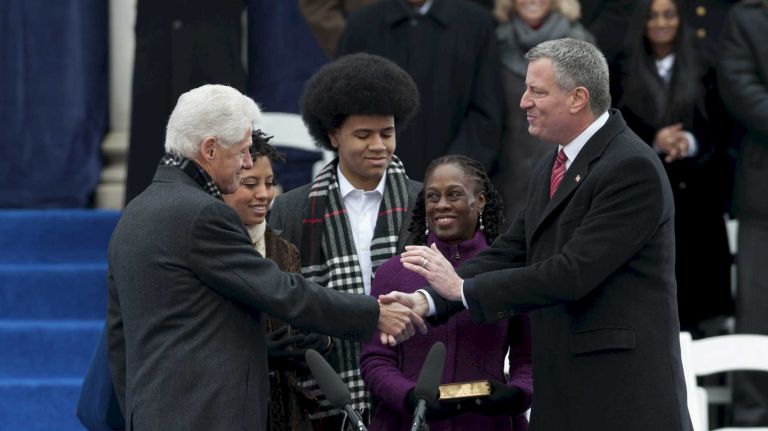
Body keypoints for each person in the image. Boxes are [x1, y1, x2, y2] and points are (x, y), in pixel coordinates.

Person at [384, 38, 693, 430]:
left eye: (537, 91)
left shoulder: (631, 168)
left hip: (620, 396)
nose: (523, 101)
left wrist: (462, 289)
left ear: (578, 98)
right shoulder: (555, 162)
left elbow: (571, 273)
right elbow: (513, 250)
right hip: (564, 391)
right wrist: (428, 299)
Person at [106, 83, 425, 431]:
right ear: (209, 149)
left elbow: (119, 339)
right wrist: (374, 312)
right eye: (242, 151)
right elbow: (281, 291)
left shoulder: (134, 213)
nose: (246, 163)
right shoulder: (202, 214)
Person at [268, 53, 422, 428]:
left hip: (413, 390)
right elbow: (282, 297)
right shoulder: (290, 210)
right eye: (363, 135)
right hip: (325, 393)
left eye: (387, 133)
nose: (379, 146)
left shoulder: (425, 201)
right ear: (334, 135)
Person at [361, 155, 533, 430]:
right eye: (432, 197)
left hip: (490, 424)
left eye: (454, 194)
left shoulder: (509, 272)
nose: (442, 205)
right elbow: (376, 359)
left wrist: (518, 394)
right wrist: (409, 396)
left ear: (480, 201)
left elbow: (528, 358)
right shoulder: (393, 272)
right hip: (409, 423)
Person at [616, 0, 733, 333]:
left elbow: (721, 131)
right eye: (653, 16)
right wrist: (655, 139)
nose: (661, 23)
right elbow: (614, 123)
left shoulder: (705, 67)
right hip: (645, 200)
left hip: (698, 202)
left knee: (701, 303)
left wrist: (688, 143)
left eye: (669, 15)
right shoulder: (622, 70)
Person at [222, 134, 326, 430]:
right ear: (224, 185)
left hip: (284, 412)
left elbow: (300, 314)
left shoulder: (286, 250)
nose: (265, 194)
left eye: (269, 183)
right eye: (250, 184)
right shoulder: (205, 251)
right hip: (229, 410)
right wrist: (256, 353)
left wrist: (320, 341)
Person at [335, 0, 505, 181]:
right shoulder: (361, 25)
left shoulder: (476, 24)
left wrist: (454, 173)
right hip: (376, 185)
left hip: (455, 188)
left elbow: (486, 112)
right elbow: (343, 111)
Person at [493, 0, 594, 223]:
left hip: (565, 168)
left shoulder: (581, 44)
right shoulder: (492, 43)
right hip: (507, 171)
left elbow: (591, 116)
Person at [718, 0, 768, 425]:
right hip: (763, 194)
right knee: (759, 309)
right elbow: (740, 87)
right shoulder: (747, 19)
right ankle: (752, 417)